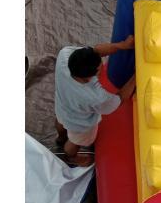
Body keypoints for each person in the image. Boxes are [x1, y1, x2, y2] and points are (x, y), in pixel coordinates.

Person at [55, 37, 136, 166]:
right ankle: (71, 157)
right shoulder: (95, 97)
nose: (102, 67)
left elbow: (96, 51)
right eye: (100, 68)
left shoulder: (64, 55)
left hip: (61, 106)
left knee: (61, 121)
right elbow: (119, 99)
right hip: (79, 124)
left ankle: (60, 138)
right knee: (75, 141)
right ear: (90, 76)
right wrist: (135, 76)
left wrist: (122, 45)